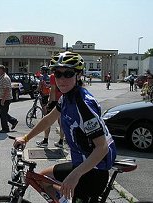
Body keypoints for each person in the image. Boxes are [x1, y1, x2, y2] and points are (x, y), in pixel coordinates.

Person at [14, 51, 116, 202]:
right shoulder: (67, 97)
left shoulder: (83, 105)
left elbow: (102, 148)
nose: (62, 79)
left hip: (93, 170)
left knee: (56, 184)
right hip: (80, 163)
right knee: (41, 179)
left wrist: (75, 176)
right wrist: (26, 138)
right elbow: (49, 119)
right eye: (57, 74)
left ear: (79, 74)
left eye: (68, 73)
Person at [36, 71, 65, 148]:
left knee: (47, 121)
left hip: (55, 100)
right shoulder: (65, 75)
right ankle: (61, 141)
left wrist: (50, 102)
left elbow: (53, 90)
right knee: (61, 122)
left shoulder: (53, 76)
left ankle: (45, 141)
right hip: (64, 100)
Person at [0, 64, 18, 133]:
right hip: (3, 98)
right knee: (3, 113)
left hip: (5, 99)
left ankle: (5, 128)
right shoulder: (2, 77)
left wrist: (3, 100)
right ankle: (13, 121)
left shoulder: (5, 78)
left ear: (2, 70)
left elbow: (7, 89)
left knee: (2, 113)